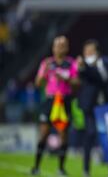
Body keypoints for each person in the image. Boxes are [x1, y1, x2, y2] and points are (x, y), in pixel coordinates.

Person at [31, 36, 79, 176]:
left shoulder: (71, 64)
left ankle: (61, 168)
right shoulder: (47, 63)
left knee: (63, 135)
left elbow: (77, 83)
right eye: (58, 45)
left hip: (64, 100)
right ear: (53, 48)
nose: (60, 48)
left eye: (63, 45)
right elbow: (37, 83)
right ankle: (36, 167)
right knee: (44, 134)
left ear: (67, 48)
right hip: (50, 100)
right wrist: (44, 73)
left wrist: (66, 78)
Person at [76, 39, 108, 177]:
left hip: (106, 105)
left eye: (90, 51)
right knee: (90, 134)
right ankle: (86, 170)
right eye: (86, 52)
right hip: (90, 106)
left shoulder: (106, 62)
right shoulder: (83, 66)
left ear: (97, 52)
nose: (87, 54)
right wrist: (84, 67)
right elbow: (85, 75)